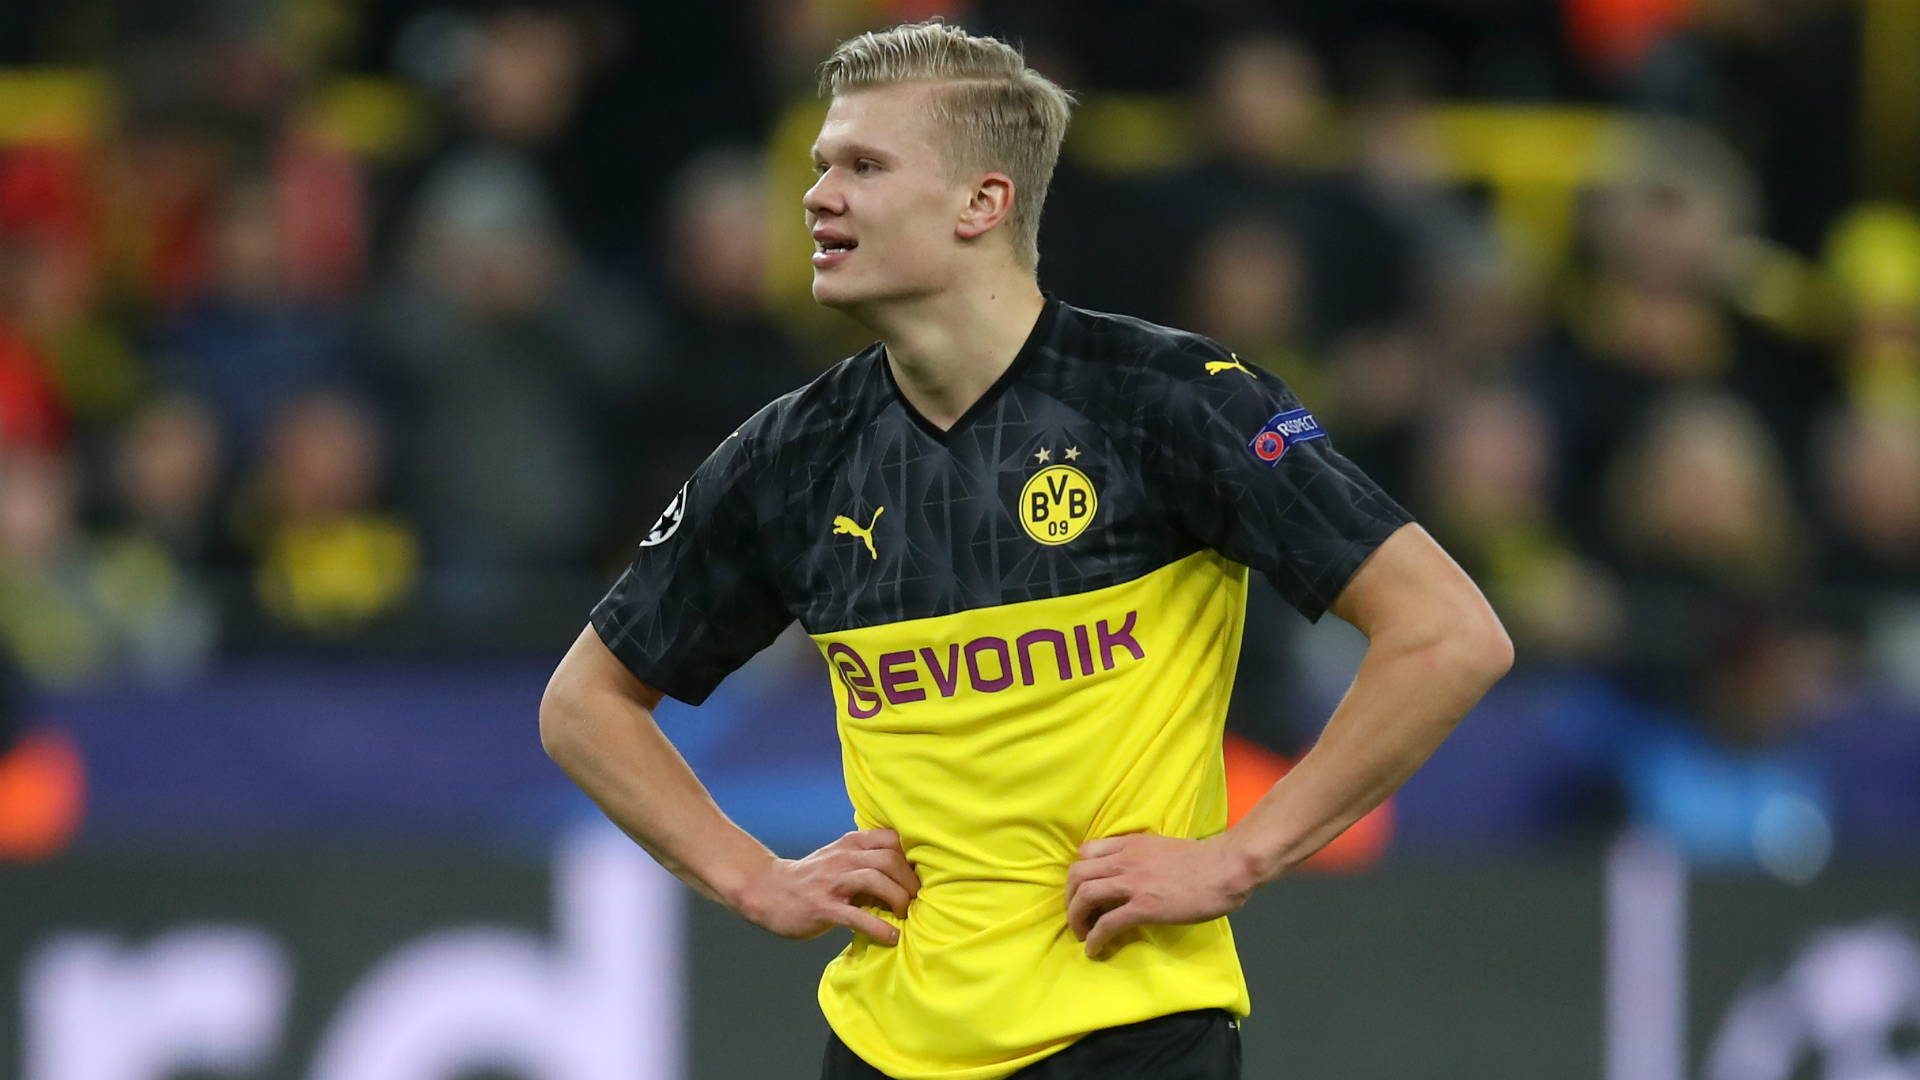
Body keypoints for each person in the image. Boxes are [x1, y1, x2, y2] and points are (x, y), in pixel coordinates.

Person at [541, 22, 1511, 1080]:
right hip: (884, 1045)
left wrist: (1241, 855)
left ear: (982, 202)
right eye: (821, 165)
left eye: (864, 166)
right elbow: (586, 704)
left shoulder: (1167, 401)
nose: (817, 196)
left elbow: (1447, 635)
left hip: (1130, 1036)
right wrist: (753, 878)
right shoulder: (792, 456)